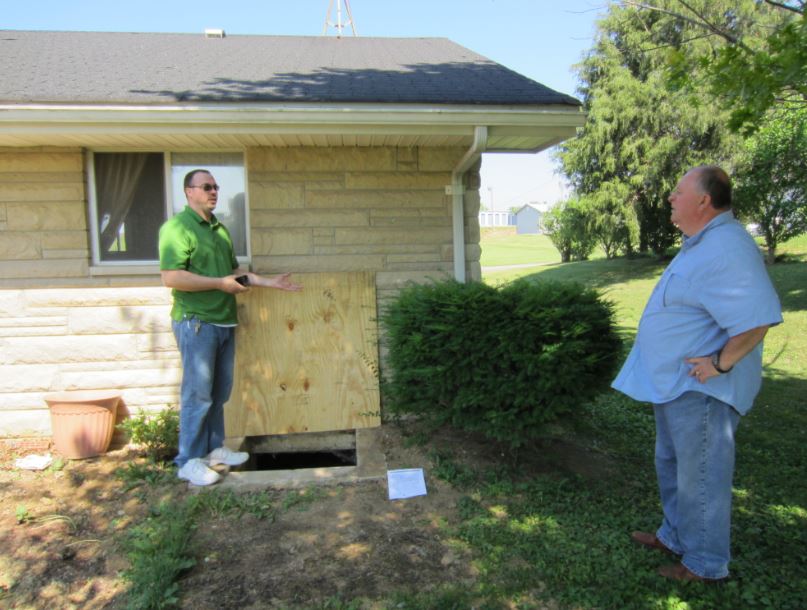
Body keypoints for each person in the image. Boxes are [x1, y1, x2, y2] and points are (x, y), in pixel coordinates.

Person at [612, 165, 782, 581]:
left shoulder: (727, 247)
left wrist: (720, 363)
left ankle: (706, 564)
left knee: (701, 476)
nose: (670, 198)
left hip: (703, 390)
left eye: (677, 191)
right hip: (676, 386)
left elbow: (757, 319)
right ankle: (675, 535)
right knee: (672, 465)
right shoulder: (701, 243)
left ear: (704, 200)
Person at [159, 169, 302, 486]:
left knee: (218, 393)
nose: (213, 192)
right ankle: (188, 461)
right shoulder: (177, 228)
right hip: (197, 321)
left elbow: (234, 272)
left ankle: (213, 451)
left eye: (215, 187)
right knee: (198, 395)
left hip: (224, 321)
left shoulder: (219, 230)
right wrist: (218, 284)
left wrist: (270, 283)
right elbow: (171, 276)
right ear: (189, 192)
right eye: (206, 187)